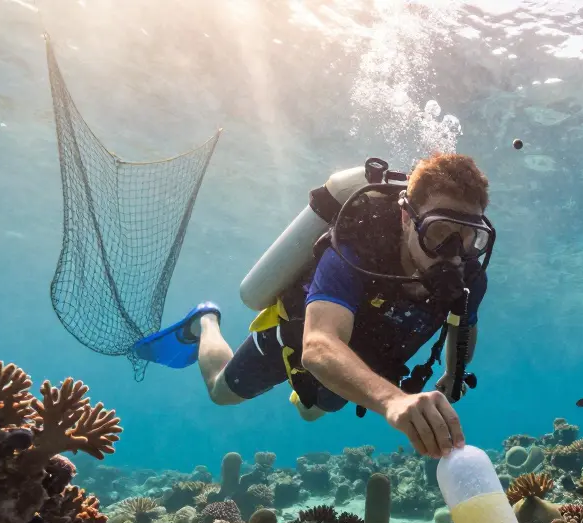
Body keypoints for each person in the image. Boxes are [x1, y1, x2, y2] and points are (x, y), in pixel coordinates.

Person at [132, 153, 494, 459]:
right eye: (438, 231)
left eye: (468, 237)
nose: (454, 253)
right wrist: (392, 400)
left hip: (361, 361)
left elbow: (464, 321)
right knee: (221, 392)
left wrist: (455, 371)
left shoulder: (470, 276)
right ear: (406, 217)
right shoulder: (358, 249)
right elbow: (319, 344)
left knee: (309, 413)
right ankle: (206, 320)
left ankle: (312, 388)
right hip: (294, 339)